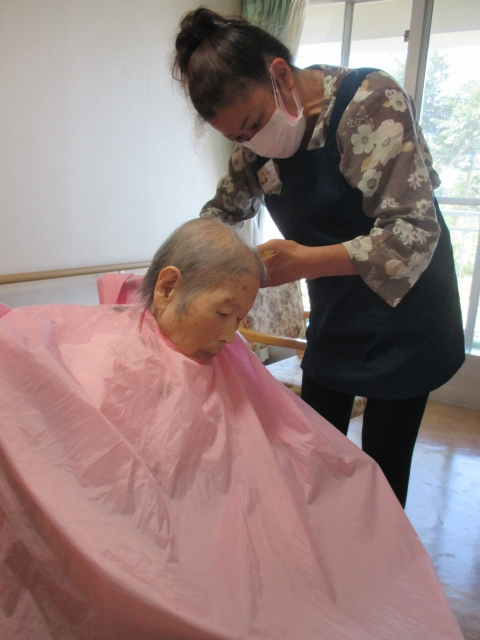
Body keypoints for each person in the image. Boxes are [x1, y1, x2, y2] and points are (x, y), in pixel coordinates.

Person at [0, 219, 463, 639]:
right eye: (223, 314)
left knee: (351, 481)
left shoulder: (226, 355)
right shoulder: (102, 347)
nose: (228, 336)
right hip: (139, 552)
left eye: (240, 320)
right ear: (167, 288)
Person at [172, 8, 466, 508]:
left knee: (383, 470)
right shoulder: (254, 150)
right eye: (237, 137)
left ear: (280, 75)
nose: (251, 142)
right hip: (338, 313)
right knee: (310, 456)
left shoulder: (372, 103)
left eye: (253, 124)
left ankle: (378, 555)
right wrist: (182, 271)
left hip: (407, 312)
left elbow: (413, 232)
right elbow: (220, 215)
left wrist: (305, 262)